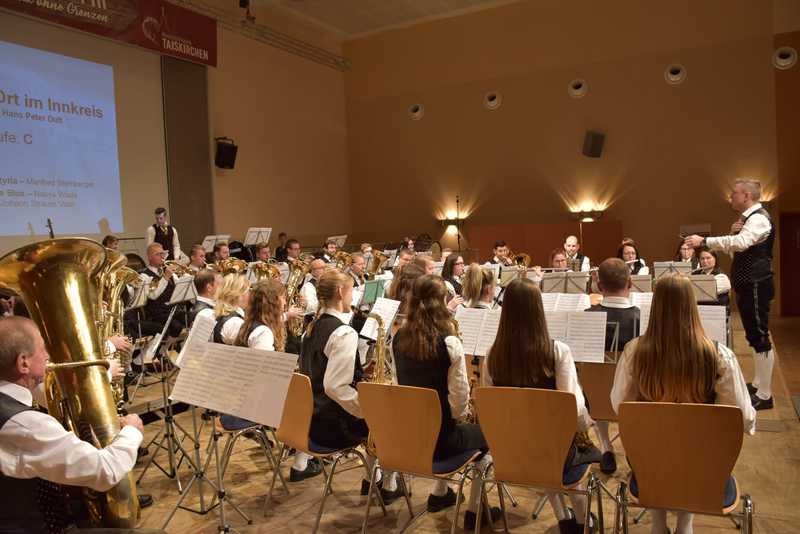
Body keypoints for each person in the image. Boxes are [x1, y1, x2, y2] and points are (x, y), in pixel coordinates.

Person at [611, 274, 755, 534]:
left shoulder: (634, 352)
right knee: (695, 446)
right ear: (692, 305)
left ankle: (658, 525)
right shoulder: (719, 355)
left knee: (654, 447)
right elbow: (741, 417)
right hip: (703, 470)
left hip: (649, 466)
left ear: (655, 306)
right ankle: (684, 525)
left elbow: (620, 405)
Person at [0, 316, 155, 534]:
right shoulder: (23, 423)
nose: (48, 356)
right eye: (43, 349)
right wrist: (132, 430)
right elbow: (106, 471)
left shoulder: (11, 400)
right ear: (23, 363)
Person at [484, 278, 593, 534]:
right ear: (538, 310)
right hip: (554, 452)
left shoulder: (492, 354)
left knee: (540, 447)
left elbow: (490, 406)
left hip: (511, 451)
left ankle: (563, 517)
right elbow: (573, 407)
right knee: (561, 451)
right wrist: (584, 426)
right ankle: (582, 522)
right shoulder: (558, 351)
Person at [393, 275, 500, 526]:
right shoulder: (449, 342)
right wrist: (464, 417)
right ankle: (475, 511)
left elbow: (400, 386)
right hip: (442, 440)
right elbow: (459, 402)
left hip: (409, 437)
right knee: (490, 434)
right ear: (442, 301)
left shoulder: (398, 338)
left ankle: (440, 493)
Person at [299, 269, 401, 503]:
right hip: (333, 427)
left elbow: (320, 371)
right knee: (391, 417)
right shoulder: (343, 332)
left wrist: (359, 371)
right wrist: (367, 411)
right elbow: (335, 387)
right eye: (351, 290)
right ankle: (389, 485)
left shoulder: (312, 327)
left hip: (312, 418)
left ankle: (372, 478)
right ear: (340, 291)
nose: (353, 296)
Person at [685, 179, 775, 409]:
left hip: (757, 283)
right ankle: (759, 384)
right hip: (749, 284)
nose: (731, 197)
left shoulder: (759, 219)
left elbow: (742, 243)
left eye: (734, 193)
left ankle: (765, 395)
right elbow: (740, 250)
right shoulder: (747, 220)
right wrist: (733, 235)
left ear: (747, 196)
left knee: (760, 335)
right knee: (754, 335)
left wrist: (705, 241)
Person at [585, 258, 641, 474]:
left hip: (596, 401)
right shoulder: (643, 318)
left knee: (596, 381)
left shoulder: (586, 318)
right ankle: (634, 449)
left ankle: (606, 446)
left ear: (600, 286)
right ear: (630, 283)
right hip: (634, 402)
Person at [138, 243, 185, 337]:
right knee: (176, 326)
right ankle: (172, 344)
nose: (162, 256)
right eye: (158, 254)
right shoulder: (144, 275)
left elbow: (181, 288)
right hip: (157, 313)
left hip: (173, 309)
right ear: (150, 257)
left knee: (192, 317)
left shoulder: (167, 270)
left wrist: (185, 276)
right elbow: (153, 295)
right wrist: (166, 277)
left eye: (162, 253)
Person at [212, 274, 250, 345]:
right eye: (247, 291)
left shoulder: (220, 314)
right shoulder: (235, 323)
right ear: (238, 295)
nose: (249, 295)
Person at [300, 259, 326, 325]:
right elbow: (309, 307)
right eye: (322, 268)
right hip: (313, 322)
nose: (325, 270)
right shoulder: (308, 286)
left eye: (325, 267)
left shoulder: (324, 284)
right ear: (314, 270)